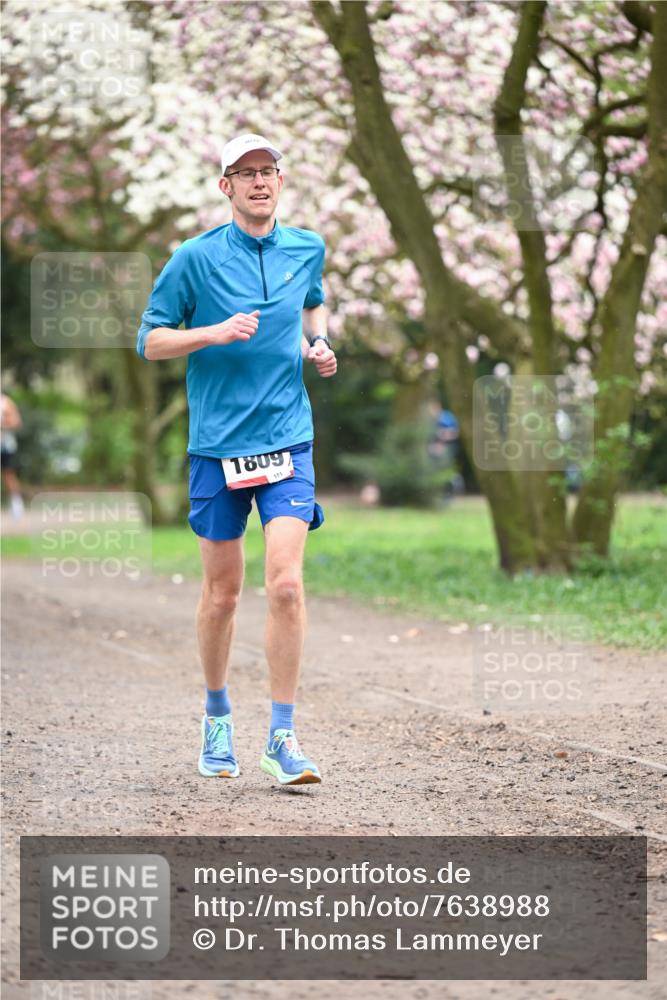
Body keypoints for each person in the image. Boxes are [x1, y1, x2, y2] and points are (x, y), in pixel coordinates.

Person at [137, 134, 337, 786]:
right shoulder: (193, 259)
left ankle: (282, 737)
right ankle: (217, 717)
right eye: (244, 173)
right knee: (222, 596)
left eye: (267, 171)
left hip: (287, 438)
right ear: (225, 186)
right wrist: (212, 333)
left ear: (280, 181)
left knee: (284, 583)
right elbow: (151, 341)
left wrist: (320, 343)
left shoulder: (305, 246)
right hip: (217, 446)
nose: (258, 182)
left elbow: (311, 299)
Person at [1, 392, 25, 519]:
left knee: (8, 474)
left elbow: (17, 422)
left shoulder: (5, 402)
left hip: (5, 445)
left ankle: (16, 504)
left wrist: (4, 423)